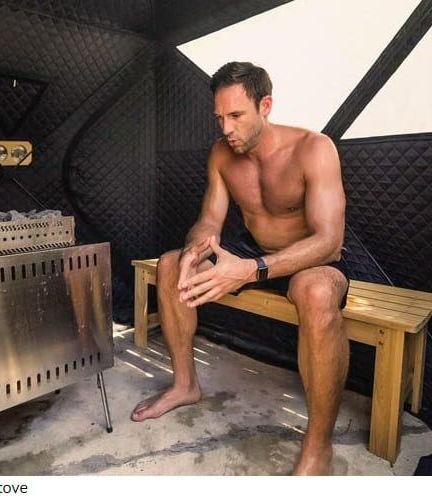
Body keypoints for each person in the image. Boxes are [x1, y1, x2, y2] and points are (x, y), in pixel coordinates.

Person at [130, 62, 349, 476]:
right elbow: (209, 220)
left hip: (309, 258)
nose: (226, 128)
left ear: (265, 106)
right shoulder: (221, 154)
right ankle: (184, 384)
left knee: (317, 293)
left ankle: (319, 447)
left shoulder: (314, 148)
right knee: (172, 264)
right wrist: (196, 248)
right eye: (219, 118)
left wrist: (252, 269)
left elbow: (329, 240)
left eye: (236, 115)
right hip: (252, 252)